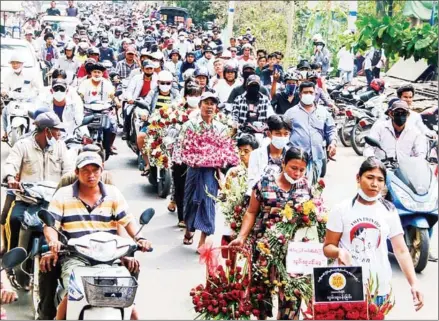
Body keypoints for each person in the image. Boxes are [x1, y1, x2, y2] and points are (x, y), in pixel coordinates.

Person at [44, 152, 152, 320]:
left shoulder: (113, 193)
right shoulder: (63, 195)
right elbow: (51, 225)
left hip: (110, 258)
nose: (91, 175)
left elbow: (128, 220)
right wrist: (53, 242)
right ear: (76, 172)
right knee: (71, 296)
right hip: (75, 257)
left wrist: (140, 239)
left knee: (133, 312)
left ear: (102, 170)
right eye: (85, 170)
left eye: (95, 170)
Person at [324, 157, 424, 312]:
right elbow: (328, 247)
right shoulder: (341, 210)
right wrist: (339, 252)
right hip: (347, 285)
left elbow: (401, 250)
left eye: (380, 180)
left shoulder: (388, 210)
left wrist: (414, 283)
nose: (374, 184)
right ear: (358, 177)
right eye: (369, 177)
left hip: (379, 288)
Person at [229, 147, 313, 319]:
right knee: (261, 296)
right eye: (293, 168)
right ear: (283, 164)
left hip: (294, 252)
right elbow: (251, 212)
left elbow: (312, 217)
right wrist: (241, 236)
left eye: (301, 170)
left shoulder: (306, 186)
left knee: (292, 296)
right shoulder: (264, 183)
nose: (297, 173)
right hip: (265, 249)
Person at [2, 112, 73, 260]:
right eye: (56, 130)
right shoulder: (22, 146)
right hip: (27, 200)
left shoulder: (60, 146)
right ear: (47, 131)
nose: (59, 133)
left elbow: (68, 170)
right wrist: (10, 177)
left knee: (68, 226)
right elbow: (11, 164)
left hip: (54, 201)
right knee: (14, 220)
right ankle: (11, 263)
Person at [181, 92, 227, 250]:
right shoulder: (190, 125)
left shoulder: (221, 128)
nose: (209, 106)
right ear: (200, 105)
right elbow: (183, 147)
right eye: (206, 103)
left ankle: (203, 238)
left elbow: (225, 150)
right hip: (194, 169)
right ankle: (189, 229)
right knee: (190, 200)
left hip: (211, 171)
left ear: (216, 108)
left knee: (208, 202)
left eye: (212, 104)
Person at [284, 81, 337, 183]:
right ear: (300, 95)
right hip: (296, 160)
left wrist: (333, 142)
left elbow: (330, 129)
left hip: (316, 158)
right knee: (295, 189)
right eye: (305, 92)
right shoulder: (290, 113)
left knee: (313, 189)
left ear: (315, 94)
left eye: (311, 92)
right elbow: (285, 131)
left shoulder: (323, 112)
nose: (308, 95)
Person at [171, 82, 203, 228]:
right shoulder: (176, 113)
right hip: (180, 156)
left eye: (197, 95)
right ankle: (182, 217)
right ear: (185, 97)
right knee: (180, 186)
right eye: (191, 95)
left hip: (199, 157)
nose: (194, 98)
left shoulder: (204, 114)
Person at [138, 70, 182, 176]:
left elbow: (180, 103)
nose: (165, 85)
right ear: (158, 83)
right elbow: (146, 104)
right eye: (162, 83)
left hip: (171, 124)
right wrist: (144, 113)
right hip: (153, 122)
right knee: (141, 137)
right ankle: (147, 164)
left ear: (172, 83)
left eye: (168, 83)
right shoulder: (153, 92)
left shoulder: (176, 93)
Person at [1, 53, 42, 142]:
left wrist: (36, 92)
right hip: (14, 101)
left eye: (17, 63)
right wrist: (4, 92)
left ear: (22, 64)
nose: (15, 65)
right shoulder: (8, 76)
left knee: (37, 113)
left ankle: (38, 133)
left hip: (28, 101)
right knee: (4, 111)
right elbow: (4, 87)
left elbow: (38, 87)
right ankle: (5, 133)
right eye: (13, 63)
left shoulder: (30, 75)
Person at [247, 115, 291, 194]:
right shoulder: (256, 154)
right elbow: (251, 181)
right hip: (262, 196)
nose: (282, 137)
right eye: (278, 133)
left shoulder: (291, 154)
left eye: (286, 134)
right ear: (269, 134)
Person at [122, 60, 158, 141]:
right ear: (143, 69)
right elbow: (130, 90)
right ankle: (126, 131)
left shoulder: (157, 79)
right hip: (136, 101)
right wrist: (130, 98)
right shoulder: (136, 78)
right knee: (128, 112)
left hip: (150, 102)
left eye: (151, 69)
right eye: (147, 69)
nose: (149, 70)